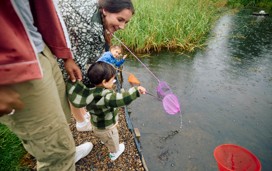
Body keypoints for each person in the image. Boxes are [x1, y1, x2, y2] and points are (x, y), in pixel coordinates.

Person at [0, 1, 93, 170]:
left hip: (41, 49)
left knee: (62, 118)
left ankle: (68, 153)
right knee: (54, 152)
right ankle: (62, 157)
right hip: (13, 66)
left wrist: (66, 55)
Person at [58, 0, 135, 132]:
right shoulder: (86, 26)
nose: (122, 26)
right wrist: (98, 86)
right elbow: (77, 68)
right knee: (72, 86)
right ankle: (81, 123)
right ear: (105, 10)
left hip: (69, 53)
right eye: (120, 19)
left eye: (125, 22)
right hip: (57, 60)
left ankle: (82, 115)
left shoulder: (96, 10)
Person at [66, 62, 146, 161]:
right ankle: (114, 153)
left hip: (96, 125)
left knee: (103, 137)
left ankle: (105, 140)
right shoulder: (106, 97)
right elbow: (122, 99)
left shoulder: (90, 91)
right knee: (113, 141)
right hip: (107, 129)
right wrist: (136, 91)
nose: (114, 82)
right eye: (112, 80)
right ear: (104, 82)